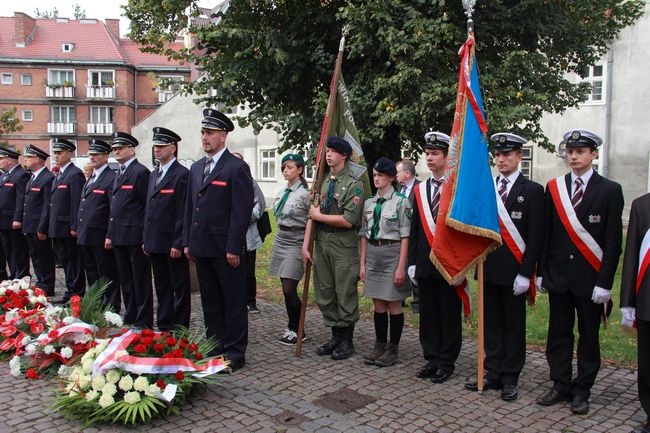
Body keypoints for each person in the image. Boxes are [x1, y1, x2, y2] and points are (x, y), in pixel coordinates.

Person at [536, 129, 623, 415]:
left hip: (590, 280)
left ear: (593, 154)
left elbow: (612, 244)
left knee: (588, 337)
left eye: (581, 151)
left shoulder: (610, 190)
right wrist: (542, 272)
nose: (573, 156)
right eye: (570, 151)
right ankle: (560, 384)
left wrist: (605, 283)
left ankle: (582, 389)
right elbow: (547, 235)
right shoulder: (555, 187)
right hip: (559, 277)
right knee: (558, 335)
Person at [464, 133, 544, 401]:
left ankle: (511, 376)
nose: (501, 159)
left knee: (512, 325)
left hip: (515, 271)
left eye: (507, 155)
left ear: (519, 157)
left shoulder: (532, 191)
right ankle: (492, 370)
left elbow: (535, 237)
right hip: (489, 267)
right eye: (497, 155)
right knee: (491, 324)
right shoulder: (487, 187)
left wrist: (526, 273)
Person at [183, 108, 254, 371]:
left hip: (226, 249)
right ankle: (214, 344)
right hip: (202, 246)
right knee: (210, 300)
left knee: (233, 301)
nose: (205, 137)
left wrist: (234, 246)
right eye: (203, 132)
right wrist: (188, 241)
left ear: (223, 136)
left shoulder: (236, 168)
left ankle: (235, 351)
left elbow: (241, 211)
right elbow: (190, 208)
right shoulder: (196, 167)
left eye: (210, 132)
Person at [302, 136, 364, 360]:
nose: (328, 155)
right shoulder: (324, 182)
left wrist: (320, 216)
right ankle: (335, 336)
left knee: (344, 291)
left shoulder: (354, 185)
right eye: (327, 151)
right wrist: (305, 245)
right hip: (322, 242)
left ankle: (347, 340)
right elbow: (313, 215)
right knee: (325, 292)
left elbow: (348, 220)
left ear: (344, 155)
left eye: (333, 151)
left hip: (343, 244)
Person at [408, 131, 462, 384]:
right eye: (427, 154)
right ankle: (431, 358)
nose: (429, 158)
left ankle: (447, 361)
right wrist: (410, 262)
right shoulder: (420, 189)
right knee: (428, 312)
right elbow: (415, 228)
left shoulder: (456, 188)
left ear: (446, 157)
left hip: (450, 261)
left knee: (448, 311)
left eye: (435, 154)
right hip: (424, 262)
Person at [359, 157, 411, 367]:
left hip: (392, 253)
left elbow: (405, 236)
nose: (376, 179)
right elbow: (363, 234)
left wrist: (401, 266)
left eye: (380, 175)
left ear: (391, 177)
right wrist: (362, 264)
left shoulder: (400, 201)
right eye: (374, 175)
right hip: (373, 253)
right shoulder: (369, 203)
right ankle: (379, 344)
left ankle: (393, 348)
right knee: (378, 303)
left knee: (393, 303)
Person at [143, 127, 191, 330]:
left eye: (161, 146)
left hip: (172, 242)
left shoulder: (182, 175)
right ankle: (164, 323)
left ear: (173, 148)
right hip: (155, 241)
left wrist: (179, 242)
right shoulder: (154, 174)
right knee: (162, 286)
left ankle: (179, 327)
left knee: (179, 287)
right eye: (155, 146)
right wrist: (146, 238)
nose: (157, 150)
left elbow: (183, 211)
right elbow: (149, 209)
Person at [106, 131, 153, 328]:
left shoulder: (140, 172)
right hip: (119, 235)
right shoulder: (120, 172)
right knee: (126, 280)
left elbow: (146, 206)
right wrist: (109, 234)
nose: (116, 151)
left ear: (132, 150)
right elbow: (114, 207)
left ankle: (144, 318)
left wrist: (144, 237)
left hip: (134, 236)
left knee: (140, 280)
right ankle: (131, 314)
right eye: (114, 148)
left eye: (120, 147)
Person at [269, 153, 310, 345]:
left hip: (296, 240)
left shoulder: (305, 194)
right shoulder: (282, 192)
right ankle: (292, 326)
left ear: (300, 170)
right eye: (284, 167)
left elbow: (312, 220)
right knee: (284, 284)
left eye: (290, 167)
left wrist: (307, 245)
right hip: (281, 238)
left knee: (288, 288)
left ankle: (297, 327)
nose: (286, 170)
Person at [76, 139, 119, 311]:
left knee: (107, 274)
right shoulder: (92, 177)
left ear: (106, 156)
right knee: (92, 273)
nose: (92, 157)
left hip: (100, 234)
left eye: (96, 154)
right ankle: (95, 304)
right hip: (87, 234)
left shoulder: (110, 177)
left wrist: (109, 234)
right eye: (91, 154)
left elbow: (112, 209)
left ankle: (111, 307)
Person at [620, 193, 650, 433]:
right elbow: (631, 256)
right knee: (647, 362)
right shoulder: (642, 205)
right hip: (647, 299)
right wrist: (627, 301)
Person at [49, 138, 86, 302]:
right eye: (55, 153)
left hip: (67, 226)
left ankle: (76, 292)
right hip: (58, 226)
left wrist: (74, 226)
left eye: (60, 152)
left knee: (73, 262)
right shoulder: (59, 174)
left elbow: (76, 202)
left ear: (70, 153)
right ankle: (70, 291)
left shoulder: (74, 173)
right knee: (65, 261)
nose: (56, 156)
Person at [231, 152, 266, 314]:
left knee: (248, 269)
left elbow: (259, 207)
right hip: (228, 234)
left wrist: (240, 219)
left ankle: (250, 301)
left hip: (247, 233)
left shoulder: (251, 184)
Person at [21, 145, 56, 295]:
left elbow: (47, 205)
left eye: (29, 157)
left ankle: (47, 286)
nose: (26, 160)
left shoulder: (47, 178)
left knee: (44, 258)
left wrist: (42, 227)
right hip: (30, 225)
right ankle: (41, 282)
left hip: (38, 226)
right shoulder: (33, 177)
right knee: (35, 257)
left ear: (37, 159)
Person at [0, 147, 30, 280]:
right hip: (3, 220)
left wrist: (18, 218)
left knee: (18, 250)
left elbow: (21, 199)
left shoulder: (21, 174)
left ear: (9, 160)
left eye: (1, 159)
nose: (0, 161)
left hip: (13, 220)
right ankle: (14, 275)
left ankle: (21, 275)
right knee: (9, 251)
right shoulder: (5, 175)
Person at [396, 158, 420, 313]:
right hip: (399, 235)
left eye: (397, 172)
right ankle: (400, 297)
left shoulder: (420, 188)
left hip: (414, 236)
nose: (395, 175)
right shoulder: (398, 188)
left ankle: (417, 301)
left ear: (407, 173)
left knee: (414, 267)